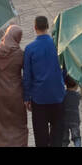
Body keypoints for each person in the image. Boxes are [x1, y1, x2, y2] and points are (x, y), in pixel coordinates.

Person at [23, 15, 66, 147]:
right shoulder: (58, 46)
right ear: (47, 27)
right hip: (57, 95)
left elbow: (27, 76)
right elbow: (65, 69)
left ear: (35, 27)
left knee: (41, 135)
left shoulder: (30, 49)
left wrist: (26, 97)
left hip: (39, 96)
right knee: (57, 134)